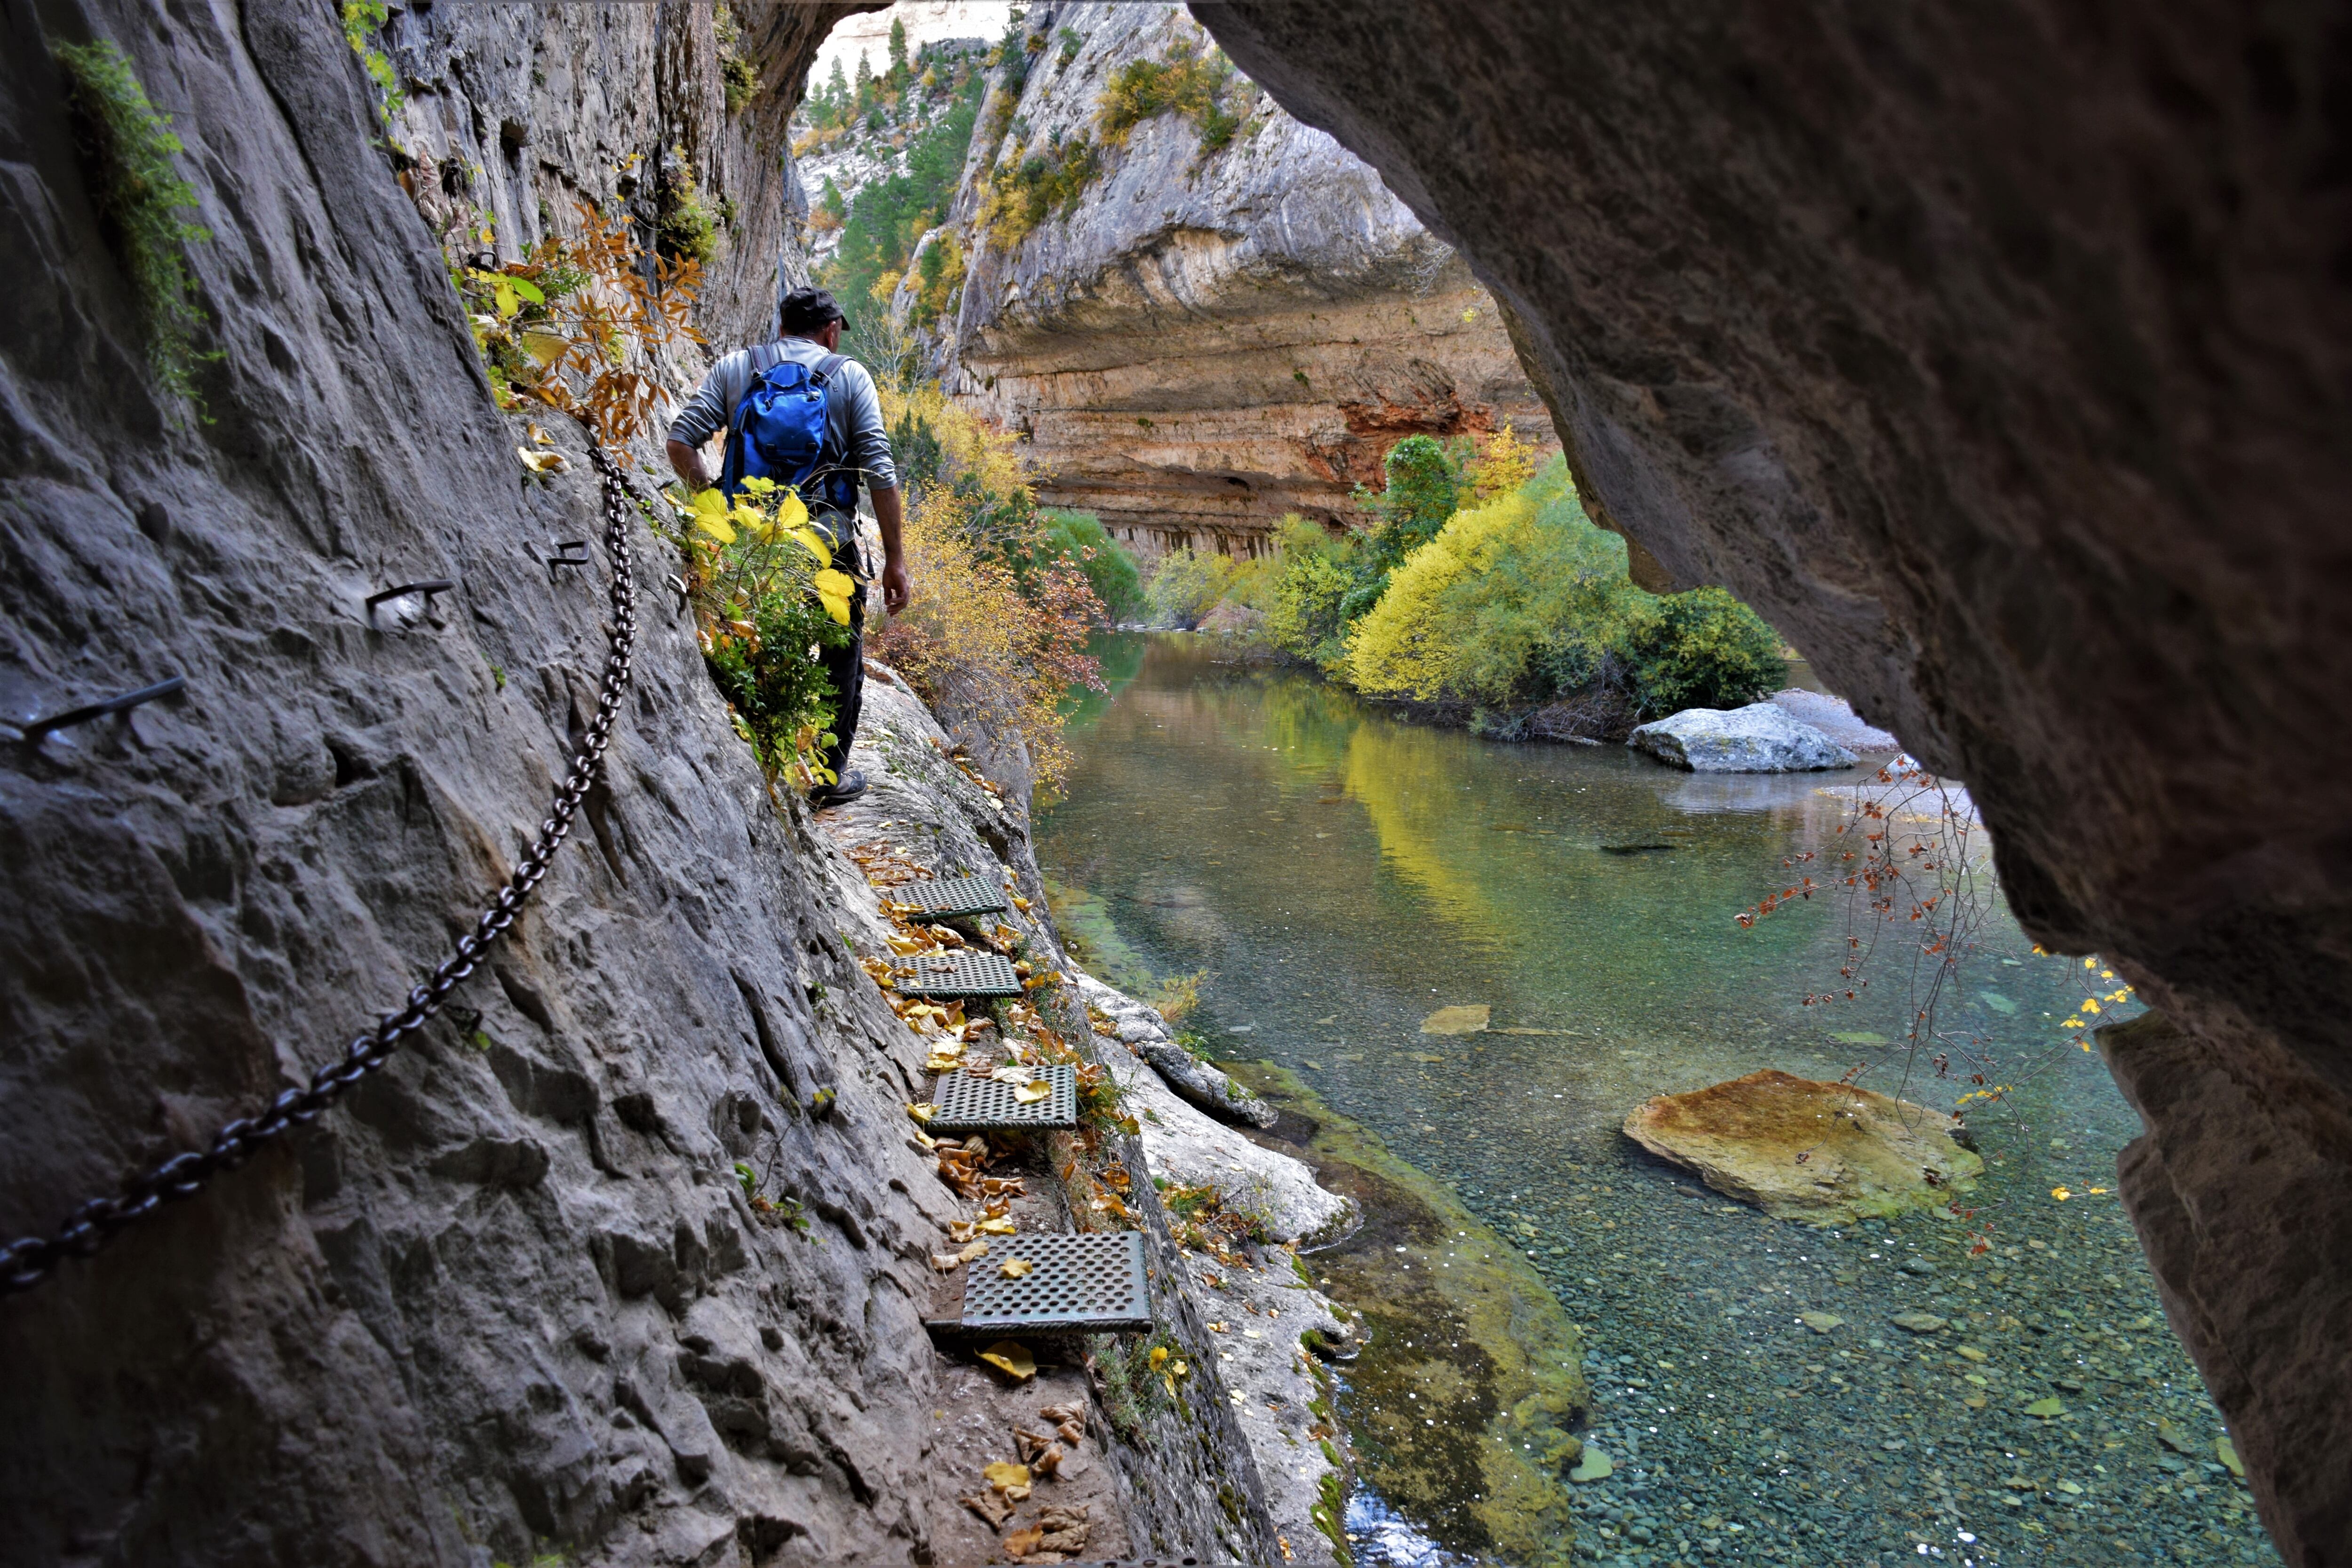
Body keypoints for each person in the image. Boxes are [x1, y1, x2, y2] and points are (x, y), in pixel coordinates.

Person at [665, 287, 912, 808]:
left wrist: (712, 499)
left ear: (781, 326)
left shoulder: (738, 367)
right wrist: (895, 561)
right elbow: (880, 474)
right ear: (830, 331)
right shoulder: (848, 376)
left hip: (749, 544)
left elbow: (680, 440)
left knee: (747, 641)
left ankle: (749, 758)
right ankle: (825, 776)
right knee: (839, 654)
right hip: (826, 543)